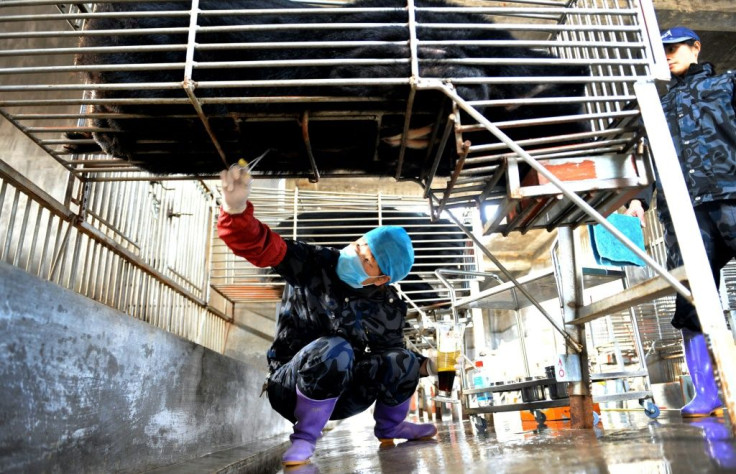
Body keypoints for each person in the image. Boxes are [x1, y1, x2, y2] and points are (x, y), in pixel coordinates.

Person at [217, 164, 438, 466]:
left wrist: (431, 366)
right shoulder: (315, 263)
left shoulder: (388, 305)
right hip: (291, 386)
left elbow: (392, 357)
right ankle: (305, 438)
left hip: (346, 395)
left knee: (401, 358)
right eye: (359, 245)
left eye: (368, 260)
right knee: (336, 347)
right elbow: (265, 248)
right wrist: (236, 210)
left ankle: (392, 426)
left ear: (382, 279)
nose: (355, 254)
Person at [626, 26, 736, 418]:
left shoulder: (726, 85)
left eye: (674, 48)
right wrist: (639, 200)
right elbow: (650, 161)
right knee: (691, 295)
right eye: (663, 50)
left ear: (696, 47)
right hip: (684, 211)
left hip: (729, 194)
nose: (668, 55)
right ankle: (708, 391)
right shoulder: (657, 107)